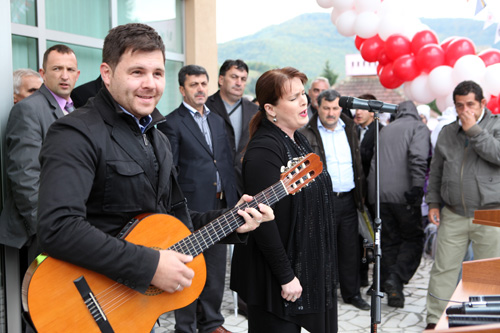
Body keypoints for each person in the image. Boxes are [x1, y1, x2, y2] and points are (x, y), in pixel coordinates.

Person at [36, 23, 273, 330]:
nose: (150, 83)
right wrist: (149, 265)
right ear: (107, 74)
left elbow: (177, 221)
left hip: (132, 307)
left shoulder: (155, 138)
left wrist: (235, 221)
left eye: (157, 73)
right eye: (137, 72)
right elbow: (58, 228)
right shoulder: (75, 132)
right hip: (80, 305)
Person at [230, 67, 338, 333]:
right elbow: (262, 222)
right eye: (294, 98)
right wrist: (286, 276)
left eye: (303, 94)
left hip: (305, 266)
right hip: (275, 279)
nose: (304, 101)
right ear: (270, 108)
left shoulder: (299, 140)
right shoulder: (264, 150)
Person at [157, 65, 238, 333]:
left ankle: (212, 324)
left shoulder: (216, 119)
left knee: (215, 270)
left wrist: (232, 199)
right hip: (189, 209)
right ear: (182, 89)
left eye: (203, 83)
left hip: (219, 204)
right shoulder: (171, 123)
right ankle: (186, 327)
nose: (200, 89)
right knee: (188, 272)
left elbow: (225, 160)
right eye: (194, 84)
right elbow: (172, 170)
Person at [425, 80, 500, 329]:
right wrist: (433, 202)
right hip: (454, 213)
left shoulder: (497, 125)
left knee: (487, 273)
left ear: (482, 103)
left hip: (490, 213)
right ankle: (435, 320)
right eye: (460, 105)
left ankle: (485, 323)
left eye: (470, 104)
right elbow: (436, 171)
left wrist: (475, 130)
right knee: (443, 269)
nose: (465, 110)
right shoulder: (447, 132)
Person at [0, 44, 80, 273]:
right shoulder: (29, 109)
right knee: (39, 304)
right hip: (42, 231)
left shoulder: (75, 110)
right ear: (43, 73)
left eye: (70, 69)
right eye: (57, 68)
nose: (64, 75)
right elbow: (25, 176)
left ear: (77, 74)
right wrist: (45, 229)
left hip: (70, 225)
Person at [299, 89, 369, 311]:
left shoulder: (350, 128)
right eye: (326, 108)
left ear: (341, 108)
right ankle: (325, 294)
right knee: (323, 250)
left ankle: (352, 294)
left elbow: (357, 162)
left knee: (350, 250)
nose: (331, 113)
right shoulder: (306, 132)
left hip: (348, 199)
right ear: (317, 106)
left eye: (335, 108)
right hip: (322, 201)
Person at [367, 100, 430, 308]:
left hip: (379, 196)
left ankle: (394, 289)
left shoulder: (385, 130)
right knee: (413, 238)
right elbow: (418, 158)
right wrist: (418, 187)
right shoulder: (418, 127)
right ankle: (396, 278)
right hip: (404, 196)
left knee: (389, 240)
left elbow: (375, 163)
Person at [205, 59, 258, 196]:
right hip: (213, 188)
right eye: (234, 77)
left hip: (244, 186)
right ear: (221, 80)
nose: (239, 83)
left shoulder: (255, 111)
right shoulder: (205, 108)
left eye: (243, 79)